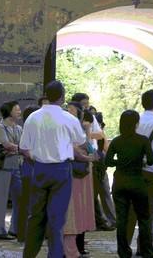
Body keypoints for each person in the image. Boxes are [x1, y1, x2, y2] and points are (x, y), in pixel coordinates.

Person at [19, 80, 87, 258]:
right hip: (62, 169)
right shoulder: (69, 118)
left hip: (40, 167)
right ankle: (55, 255)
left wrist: (36, 159)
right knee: (57, 220)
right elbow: (81, 141)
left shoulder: (33, 117)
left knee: (35, 216)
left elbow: (24, 148)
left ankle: (29, 254)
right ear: (63, 96)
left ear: (46, 95)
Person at [106, 110, 153, 258]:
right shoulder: (143, 140)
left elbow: (108, 161)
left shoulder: (116, 141)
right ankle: (147, 251)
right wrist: (141, 162)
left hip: (120, 182)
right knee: (144, 219)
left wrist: (120, 162)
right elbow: (152, 160)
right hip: (137, 182)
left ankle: (123, 251)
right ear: (136, 123)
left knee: (122, 219)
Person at [126, 89, 153, 256]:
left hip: (133, 171)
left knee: (131, 210)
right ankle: (144, 247)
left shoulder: (134, 122)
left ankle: (125, 245)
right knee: (148, 211)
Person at [63, 104, 99, 258]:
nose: (69, 111)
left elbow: (90, 147)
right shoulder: (66, 125)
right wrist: (87, 156)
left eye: (72, 109)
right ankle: (71, 247)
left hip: (82, 171)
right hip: (72, 170)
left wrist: (88, 131)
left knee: (81, 206)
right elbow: (73, 148)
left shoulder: (81, 127)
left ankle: (78, 245)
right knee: (72, 208)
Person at [0, 100, 23, 240]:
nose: (19, 111)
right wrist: (19, 149)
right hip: (3, 167)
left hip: (17, 167)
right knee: (1, 199)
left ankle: (14, 228)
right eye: (16, 109)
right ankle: (0, 230)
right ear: (9, 111)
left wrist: (15, 148)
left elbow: (16, 146)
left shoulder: (19, 128)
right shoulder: (0, 127)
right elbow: (6, 145)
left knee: (19, 199)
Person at [90, 106, 116, 231]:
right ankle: (102, 219)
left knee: (100, 192)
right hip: (98, 163)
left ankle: (106, 220)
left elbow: (105, 147)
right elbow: (106, 148)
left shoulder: (97, 133)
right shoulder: (99, 132)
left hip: (97, 163)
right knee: (101, 193)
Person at [16, 105, 39, 243]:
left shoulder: (26, 130)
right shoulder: (31, 131)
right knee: (29, 204)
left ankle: (23, 233)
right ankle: (25, 233)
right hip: (31, 170)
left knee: (25, 204)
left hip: (28, 170)